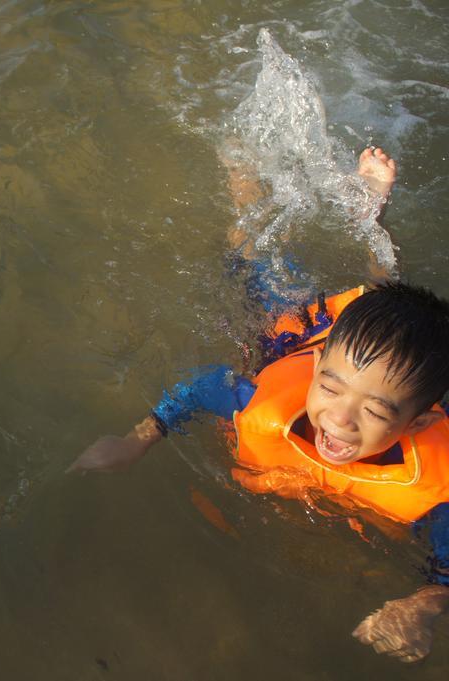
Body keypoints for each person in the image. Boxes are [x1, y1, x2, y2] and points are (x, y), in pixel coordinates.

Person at [69, 148, 449, 663]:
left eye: (376, 413)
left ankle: (372, 215)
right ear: (317, 374)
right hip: (300, 336)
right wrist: (137, 441)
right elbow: (204, 386)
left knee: (390, 301)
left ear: (421, 421)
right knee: (251, 257)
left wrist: (423, 606)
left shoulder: (435, 492)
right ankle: (248, 182)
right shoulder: (269, 404)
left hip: (364, 357)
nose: (338, 420)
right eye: (331, 391)